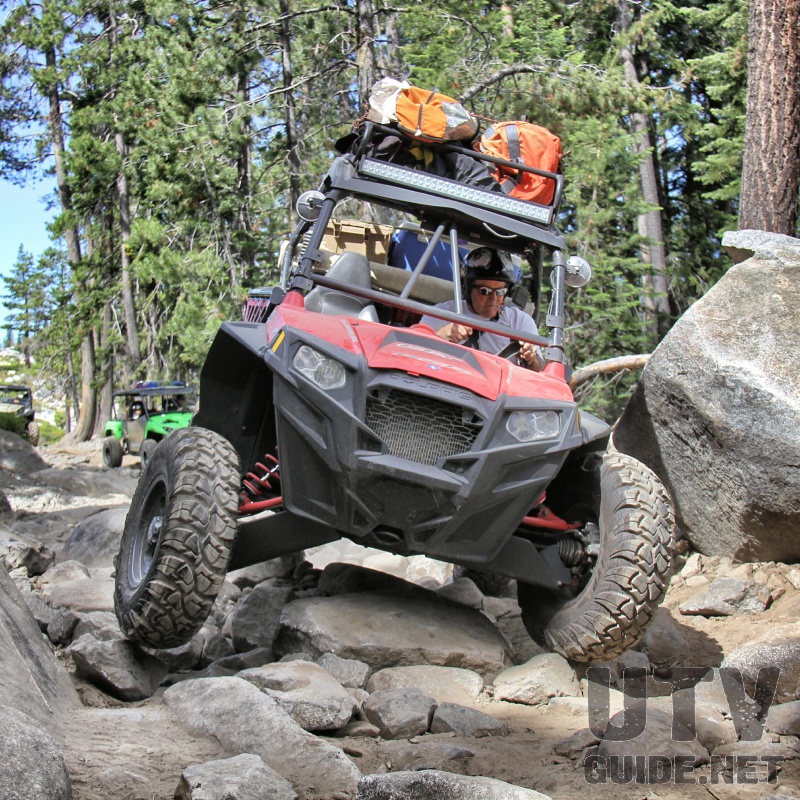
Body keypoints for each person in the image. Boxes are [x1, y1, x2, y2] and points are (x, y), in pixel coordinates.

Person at [418, 247, 545, 371]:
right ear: (467, 289)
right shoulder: (443, 313)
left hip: (499, 389)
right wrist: (442, 335)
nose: (493, 298)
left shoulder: (519, 321)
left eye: (500, 291)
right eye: (485, 291)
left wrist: (531, 358)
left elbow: (540, 368)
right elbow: (414, 346)